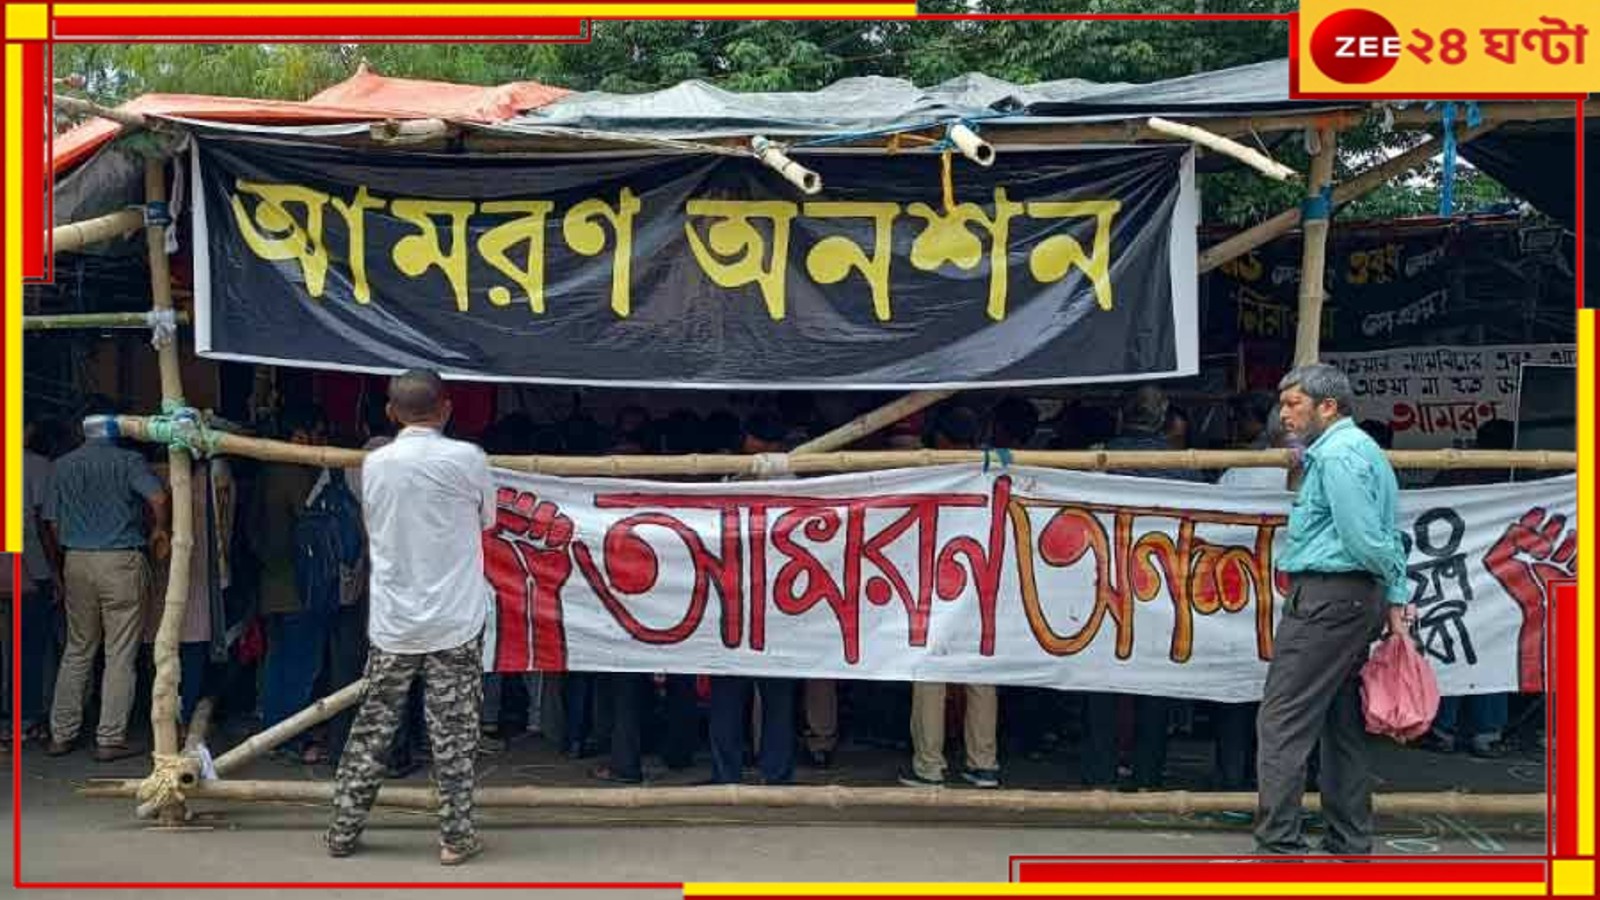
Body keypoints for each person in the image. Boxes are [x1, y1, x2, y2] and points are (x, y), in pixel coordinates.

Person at [326, 370, 495, 866]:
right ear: (447, 407)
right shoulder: (468, 459)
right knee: (455, 736)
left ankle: (342, 830)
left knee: (372, 730)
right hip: (455, 622)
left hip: (394, 623)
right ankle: (455, 838)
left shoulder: (374, 465)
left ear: (390, 412)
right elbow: (490, 520)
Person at [1256, 363, 1411, 858]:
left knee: (1283, 719)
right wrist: (1393, 595)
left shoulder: (1340, 457)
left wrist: (1393, 588)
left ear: (1328, 406)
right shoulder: (1359, 450)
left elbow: (1365, 538)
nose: (1285, 413)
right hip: (1351, 600)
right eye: (1284, 404)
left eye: (1294, 403)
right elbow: (1386, 533)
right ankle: (1348, 838)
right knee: (1340, 721)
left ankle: (1279, 842)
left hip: (1327, 600)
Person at [1081, 385, 1201, 791]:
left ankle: (1100, 771)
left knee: (1101, 683)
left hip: (1106, 581)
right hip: (1163, 585)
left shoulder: (1098, 461)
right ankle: (1149, 772)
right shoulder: (1185, 467)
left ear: (1120, 414)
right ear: (1164, 415)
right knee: (1155, 680)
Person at [44, 399, 169, 761]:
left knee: (78, 649)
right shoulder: (128, 461)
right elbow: (159, 496)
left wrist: (61, 566)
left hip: (77, 560)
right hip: (121, 561)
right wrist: (160, 528)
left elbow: (51, 523)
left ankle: (61, 734)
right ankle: (109, 738)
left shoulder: (62, 466)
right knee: (120, 653)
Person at [899, 405, 1001, 789]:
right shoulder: (993, 468)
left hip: (935, 582)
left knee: (929, 673)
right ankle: (984, 762)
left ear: (940, 436)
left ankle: (928, 766)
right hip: (984, 581)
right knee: (982, 672)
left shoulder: (930, 469)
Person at [708, 413, 798, 786]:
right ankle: (776, 774)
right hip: (780, 605)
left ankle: (725, 773)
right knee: (777, 701)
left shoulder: (733, 480)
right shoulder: (797, 484)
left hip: (736, 605)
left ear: (757, 441)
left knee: (728, 698)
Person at [1424, 418, 1517, 757]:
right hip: (1501, 578)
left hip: (1451, 574)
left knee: (1451, 648)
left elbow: (1422, 505)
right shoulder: (1516, 477)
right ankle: (1487, 733)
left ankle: (1442, 730)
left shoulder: (1455, 472)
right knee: (1494, 653)